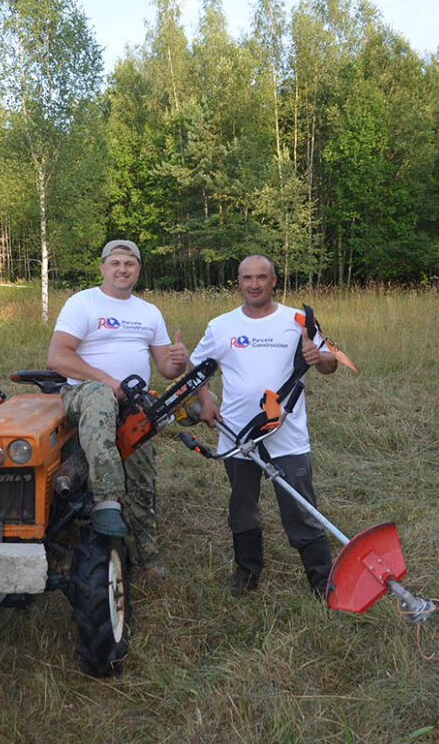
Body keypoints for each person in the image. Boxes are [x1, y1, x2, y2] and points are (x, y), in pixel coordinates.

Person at [190, 254, 338, 597]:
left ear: (273, 281)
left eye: (261, 277)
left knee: (300, 508)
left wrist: (321, 359)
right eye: (246, 278)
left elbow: (330, 363)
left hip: (287, 435)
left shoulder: (298, 320)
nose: (254, 284)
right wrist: (207, 401)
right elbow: (198, 369)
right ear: (238, 283)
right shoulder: (221, 325)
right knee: (242, 506)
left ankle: (322, 583)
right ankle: (247, 572)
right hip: (237, 434)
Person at [47, 239, 188, 576]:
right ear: (103, 268)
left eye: (130, 264)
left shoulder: (148, 312)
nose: (122, 269)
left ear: (138, 269)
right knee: (100, 394)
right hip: (85, 397)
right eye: (116, 263)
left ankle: (145, 557)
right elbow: (58, 356)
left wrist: (177, 361)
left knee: (141, 477)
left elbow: (167, 369)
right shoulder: (83, 303)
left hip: (132, 405)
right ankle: (106, 499)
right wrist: (107, 381)